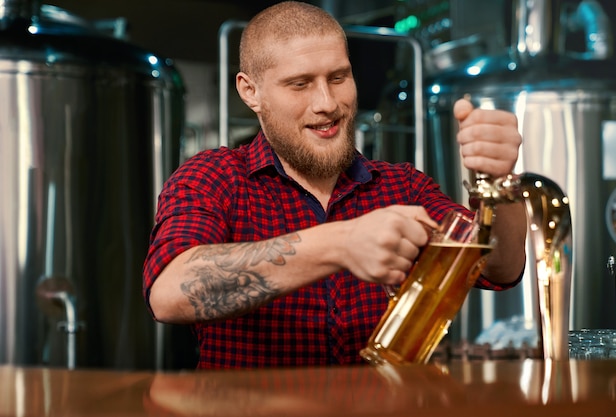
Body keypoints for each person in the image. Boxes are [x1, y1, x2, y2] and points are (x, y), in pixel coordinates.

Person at [143, 1, 527, 369]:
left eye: (338, 77)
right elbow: (170, 294)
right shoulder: (214, 177)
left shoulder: (403, 186)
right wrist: (342, 243)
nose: (326, 103)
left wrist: (501, 183)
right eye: (300, 84)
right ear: (250, 92)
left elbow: (499, 268)